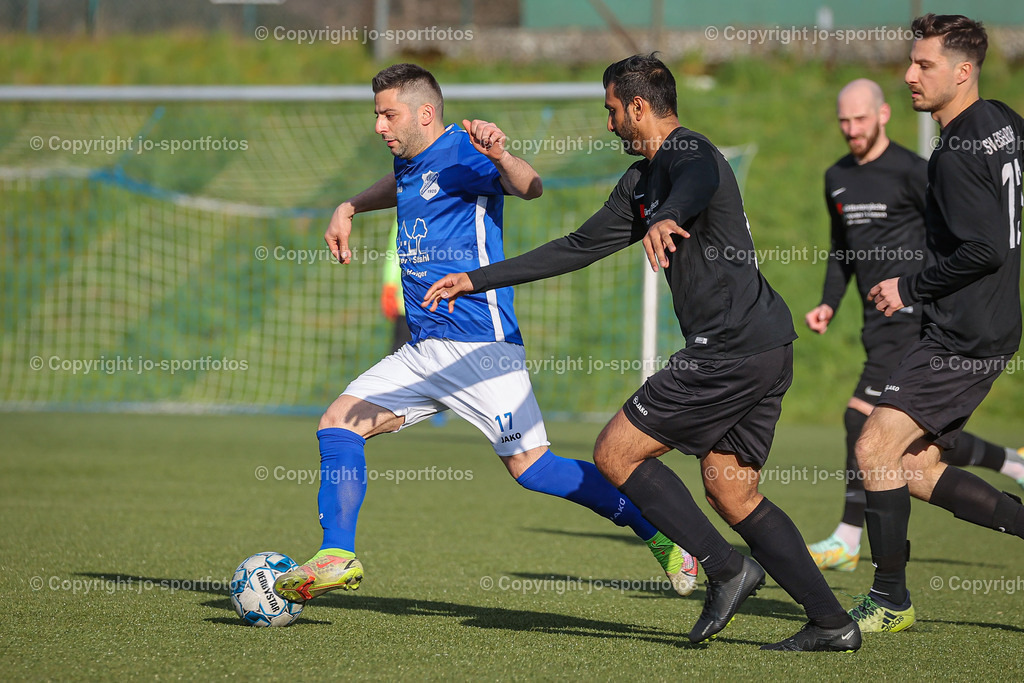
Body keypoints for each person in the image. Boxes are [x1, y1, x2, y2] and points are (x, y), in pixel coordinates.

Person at [424, 54, 860, 652]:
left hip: (729, 348)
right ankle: (833, 623)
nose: (608, 126)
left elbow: (699, 181)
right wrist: (477, 279)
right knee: (730, 488)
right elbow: (577, 246)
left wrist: (672, 215)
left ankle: (727, 570)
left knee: (615, 452)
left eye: (611, 111)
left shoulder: (688, 153)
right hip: (764, 343)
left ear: (637, 107)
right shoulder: (638, 184)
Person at [273, 63, 699, 604]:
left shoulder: (464, 150)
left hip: (479, 346)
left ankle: (658, 533)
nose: (379, 125)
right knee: (337, 423)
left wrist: (499, 154)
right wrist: (349, 205)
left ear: (425, 113)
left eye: (388, 114)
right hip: (424, 345)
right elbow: (406, 185)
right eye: (377, 114)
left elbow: (530, 186)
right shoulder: (410, 157)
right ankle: (337, 554)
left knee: (534, 468)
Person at [804, 78, 1024, 572]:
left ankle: (853, 544)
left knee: (864, 423)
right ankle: (1012, 462)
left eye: (860, 119)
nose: (851, 129)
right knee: (913, 454)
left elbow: (961, 238)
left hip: (917, 316)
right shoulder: (836, 177)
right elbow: (842, 249)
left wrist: (915, 287)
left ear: (882, 115)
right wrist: (828, 303)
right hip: (876, 318)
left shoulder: (915, 169)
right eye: (843, 120)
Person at [849, 14, 1024, 634]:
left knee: (874, 446)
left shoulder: (951, 156)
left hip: (964, 331)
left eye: (924, 65)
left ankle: (890, 598)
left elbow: (985, 249)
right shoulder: (1002, 120)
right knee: (916, 467)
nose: (909, 75)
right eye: (911, 62)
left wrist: (909, 286)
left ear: (963, 71)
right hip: (988, 323)